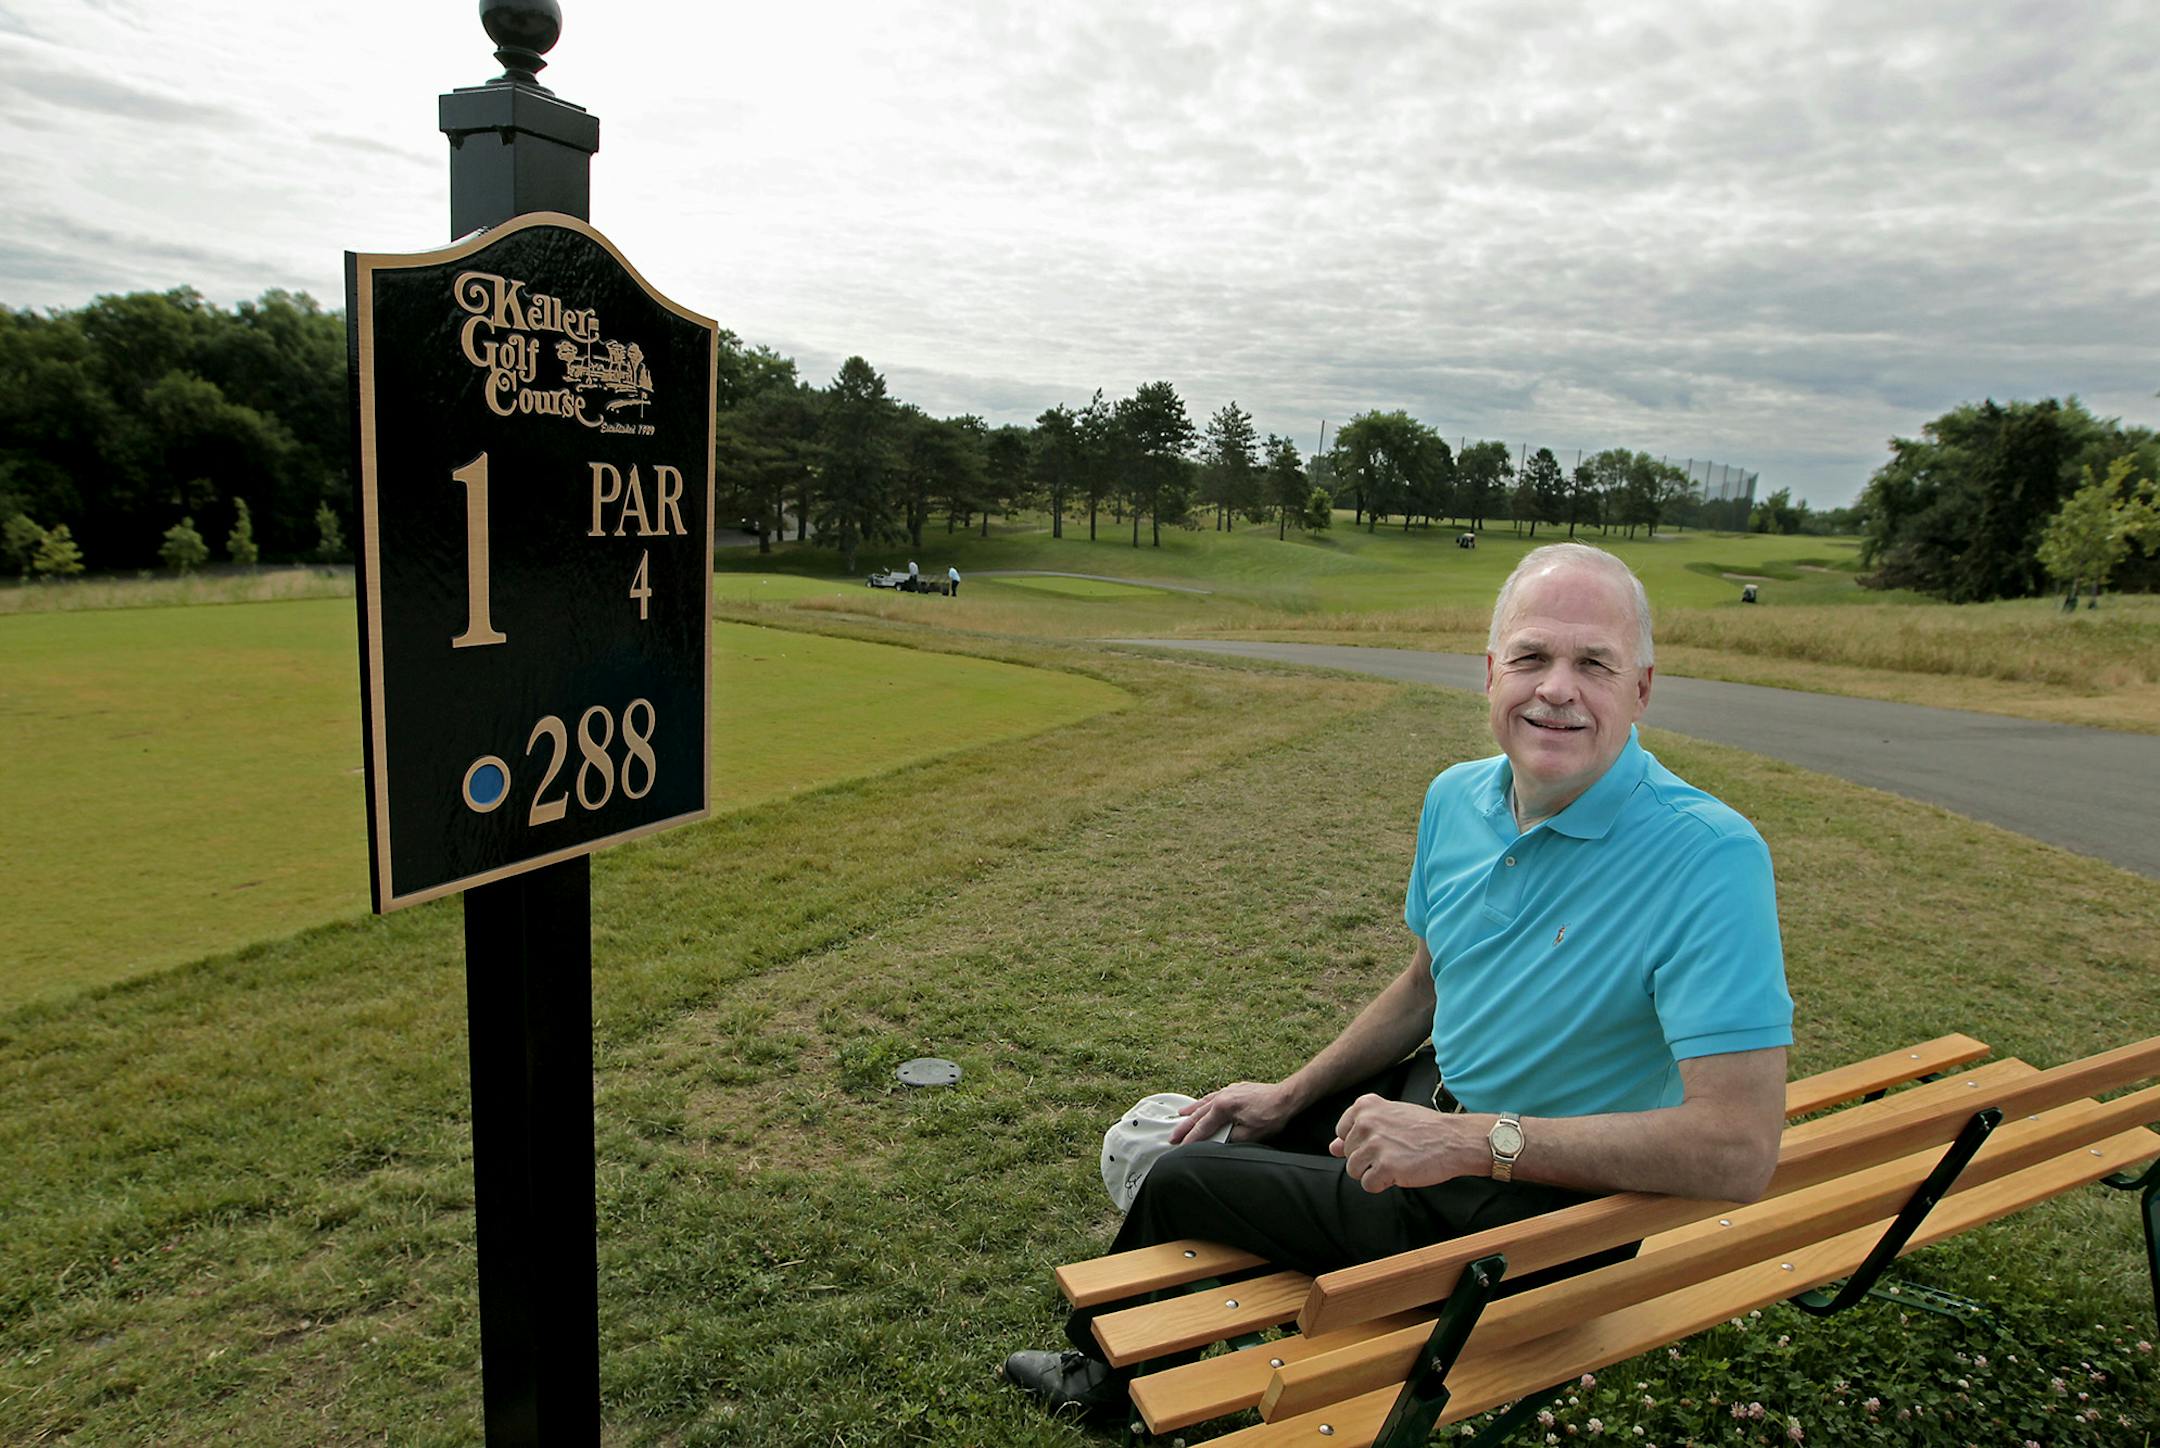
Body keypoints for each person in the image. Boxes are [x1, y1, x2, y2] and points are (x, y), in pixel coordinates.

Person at [1000, 542, 1793, 1417]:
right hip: (1444, 1108)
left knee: (1184, 1179)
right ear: (1491, 673)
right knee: (1255, 1129)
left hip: (1535, 1221)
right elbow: (1426, 985)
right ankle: (1187, 1321)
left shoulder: (1707, 857)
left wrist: (1461, 1142)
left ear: (1640, 689)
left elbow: (1739, 1148)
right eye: (1531, 656)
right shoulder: (1457, 798)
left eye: (1593, 663)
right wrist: (1288, 1093)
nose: (1556, 688)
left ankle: (1103, 1384)